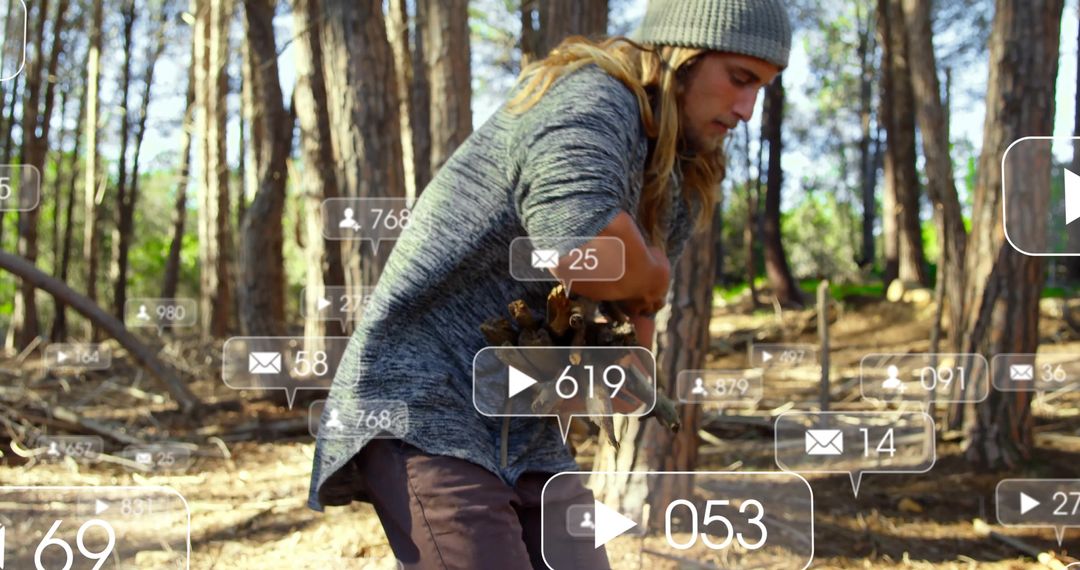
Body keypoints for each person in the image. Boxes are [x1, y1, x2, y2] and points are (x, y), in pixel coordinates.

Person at [308, 0, 791, 568]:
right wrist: (651, 274)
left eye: (762, 88)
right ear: (681, 56)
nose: (746, 109)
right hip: (423, 396)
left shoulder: (684, 167)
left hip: (524, 420)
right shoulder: (594, 97)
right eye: (739, 79)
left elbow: (636, 319)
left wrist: (626, 363)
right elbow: (581, 248)